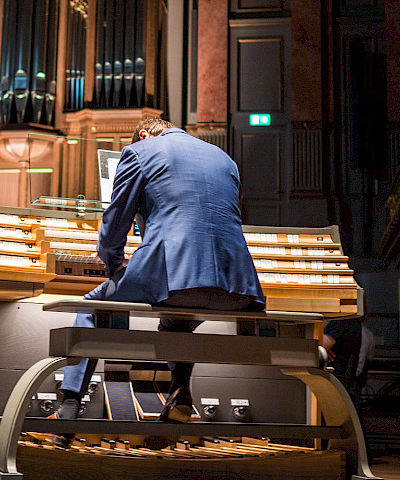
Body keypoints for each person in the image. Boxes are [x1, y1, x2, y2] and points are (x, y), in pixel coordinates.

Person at [55, 117, 265, 424]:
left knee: (90, 308)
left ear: (143, 134)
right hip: (238, 286)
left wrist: (115, 268)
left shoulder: (140, 151)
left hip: (171, 276)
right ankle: (179, 390)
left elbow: (115, 225)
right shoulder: (225, 159)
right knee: (177, 321)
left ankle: (70, 405)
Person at [322, 317, 375, 396]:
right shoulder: (358, 326)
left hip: (334, 380)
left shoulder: (341, 322)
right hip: (348, 381)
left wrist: (321, 349)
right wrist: (322, 349)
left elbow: (320, 345)